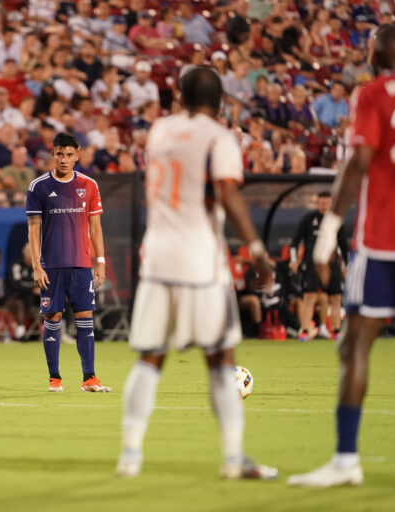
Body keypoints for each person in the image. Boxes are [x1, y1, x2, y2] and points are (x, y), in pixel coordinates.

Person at [115, 67, 277, 480]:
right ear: (221, 100)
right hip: (201, 261)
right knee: (221, 359)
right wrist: (257, 251)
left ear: (179, 96)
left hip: (157, 259)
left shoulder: (160, 132)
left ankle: (130, 454)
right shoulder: (219, 138)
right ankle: (234, 458)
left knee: (150, 358)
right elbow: (225, 192)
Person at [289, 24, 395, 489]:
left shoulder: (373, 94)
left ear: (377, 57)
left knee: (354, 344)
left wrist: (326, 235)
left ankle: (345, 460)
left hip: (381, 240)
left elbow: (358, 163)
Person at [26, 132, 110, 393]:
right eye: (60, 154)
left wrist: (101, 261)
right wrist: (37, 266)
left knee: (85, 318)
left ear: (78, 155)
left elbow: (95, 227)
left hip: (81, 264)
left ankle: (89, 378)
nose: (64, 159)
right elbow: (33, 228)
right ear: (54, 153)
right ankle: (55, 378)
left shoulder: (89, 185)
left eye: (70, 155)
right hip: (51, 265)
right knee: (54, 317)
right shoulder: (38, 187)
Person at [289, 192, 348, 341]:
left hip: (332, 264)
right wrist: (294, 260)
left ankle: (336, 330)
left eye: (328, 203)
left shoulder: (336, 221)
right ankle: (304, 331)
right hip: (311, 264)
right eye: (322, 203)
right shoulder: (308, 219)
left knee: (336, 297)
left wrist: (347, 265)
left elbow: (344, 245)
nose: (325, 206)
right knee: (309, 296)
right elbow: (295, 241)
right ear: (318, 203)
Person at [5, 242, 38, 340]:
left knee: (59, 299)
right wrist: (32, 290)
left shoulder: (40, 267)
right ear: (23, 251)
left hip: (36, 300)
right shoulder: (16, 266)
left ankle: (61, 331)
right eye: (28, 250)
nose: (31, 253)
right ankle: (20, 333)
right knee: (20, 302)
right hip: (16, 298)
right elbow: (14, 285)